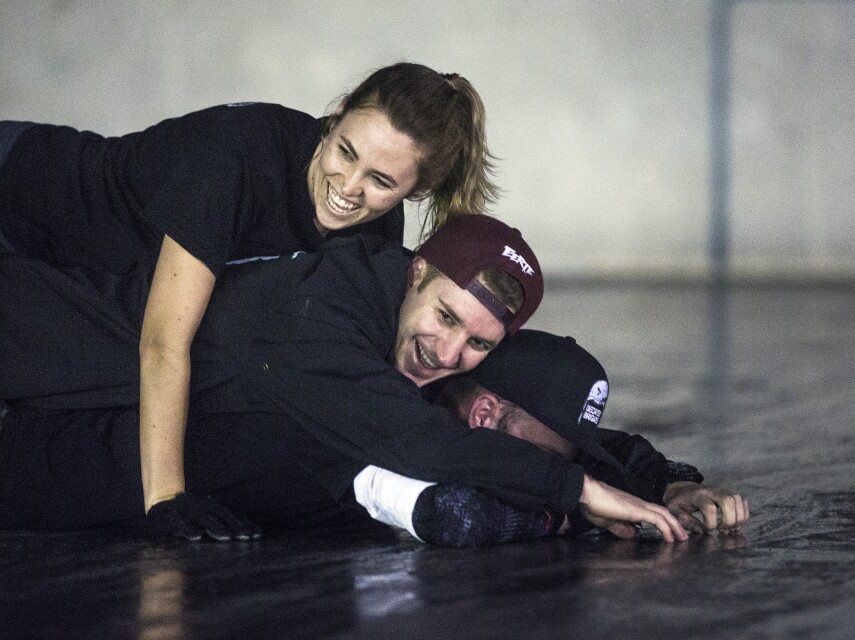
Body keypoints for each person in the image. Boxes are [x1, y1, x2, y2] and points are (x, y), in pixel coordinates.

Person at [0, 62, 497, 535]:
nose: (349, 188)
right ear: (336, 114)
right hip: (20, 193)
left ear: (415, 191)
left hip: (67, 277)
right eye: (346, 152)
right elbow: (163, 342)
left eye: (381, 181)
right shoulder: (237, 156)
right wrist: (167, 497)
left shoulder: (374, 233)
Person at [0, 215, 688, 542]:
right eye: (445, 317)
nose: (446, 352)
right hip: (34, 344)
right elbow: (420, 443)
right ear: (415, 270)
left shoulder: (423, 345)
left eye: (479, 342)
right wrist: (576, 492)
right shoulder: (322, 314)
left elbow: (542, 421)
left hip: (81, 434)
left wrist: (662, 478)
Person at [355, 329, 750, 546]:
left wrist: (664, 487)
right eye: (545, 456)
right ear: (484, 414)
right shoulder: (383, 421)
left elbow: (599, 454)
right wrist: (581, 509)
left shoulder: (478, 422)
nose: (551, 469)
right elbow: (457, 514)